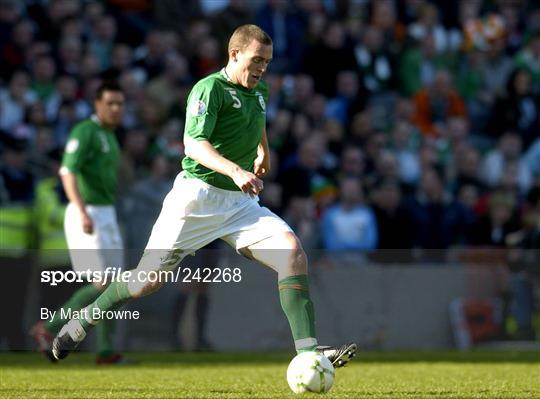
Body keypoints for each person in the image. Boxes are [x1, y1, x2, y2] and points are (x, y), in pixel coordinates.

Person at [51, 25, 356, 366]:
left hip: (239, 205)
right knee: (144, 283)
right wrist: (236, 170)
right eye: (257, 60)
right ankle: (84, 320)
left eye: (267, 62)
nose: (262, 68)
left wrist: (262, 152)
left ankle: (308, 354)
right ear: (235, 54)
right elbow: (194, 144)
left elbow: (257, 121)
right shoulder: (208, 88)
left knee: (292, 252)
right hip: (196, 200)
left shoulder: (260, 92)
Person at [30, 81, 126, 364]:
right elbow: (67, 172)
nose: (116, 109)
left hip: (106, 213)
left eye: (120, 104)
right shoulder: (85, 132)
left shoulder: (110, 135)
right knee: (102, 283)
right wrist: (82, 211)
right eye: (110, 103)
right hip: (89, 212)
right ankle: (48, 328)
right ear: (97, 104)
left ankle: (106, 352)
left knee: (117, 287)